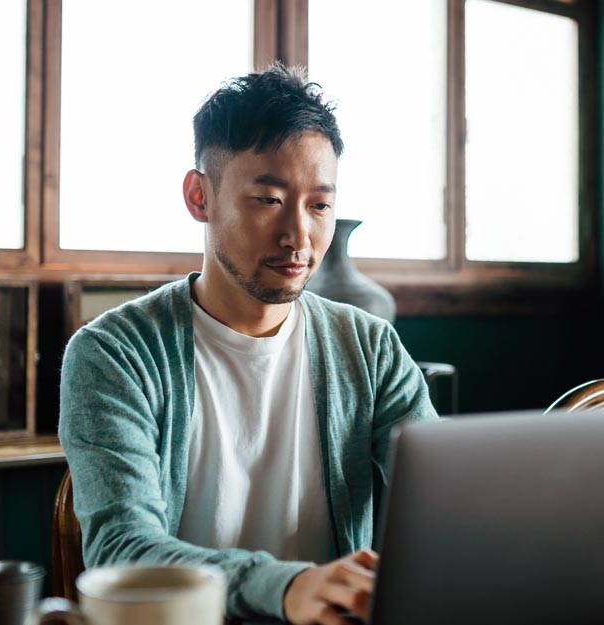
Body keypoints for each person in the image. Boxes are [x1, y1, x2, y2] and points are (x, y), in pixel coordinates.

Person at [59, 63, 438, 625]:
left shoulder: (368, 346)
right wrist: (289, 587)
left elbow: (443, 497)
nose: (299, 237)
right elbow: (125, 550)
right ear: (199, 197)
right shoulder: (114, 354)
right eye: (268, 199)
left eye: (320, 205)